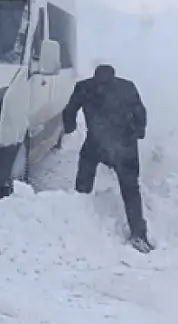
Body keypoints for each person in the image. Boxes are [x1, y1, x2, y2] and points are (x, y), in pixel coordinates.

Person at [62, 64, 153, 253]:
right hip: (125, 145)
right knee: (130, 189)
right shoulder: (127, 87)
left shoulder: (85, 87)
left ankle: (78, 218)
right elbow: (140, 112)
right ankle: (138, 233)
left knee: (84, 177)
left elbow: (69, 110)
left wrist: (69, 127)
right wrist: (139, 132)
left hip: (96, 143)